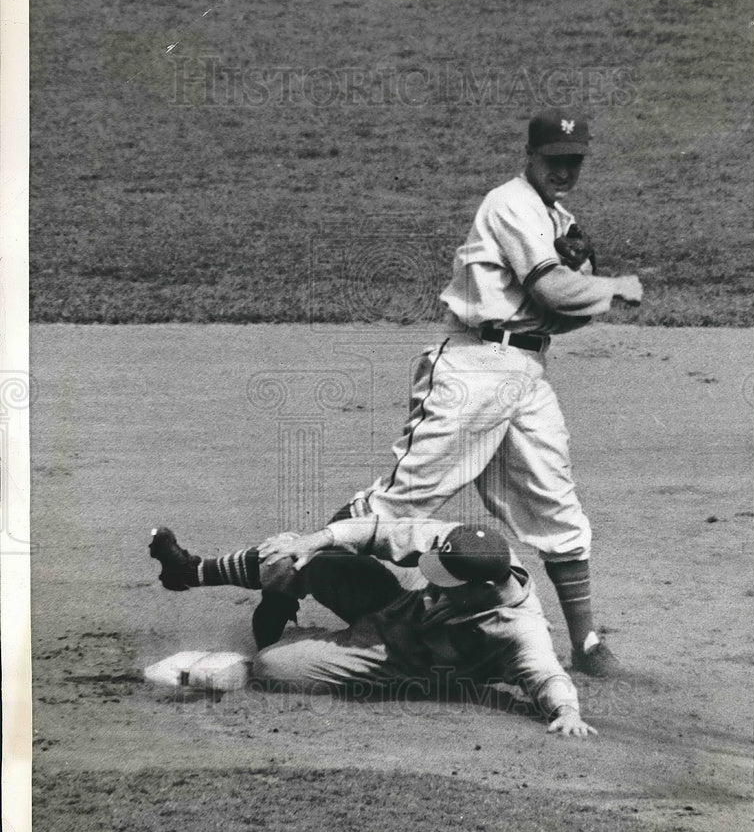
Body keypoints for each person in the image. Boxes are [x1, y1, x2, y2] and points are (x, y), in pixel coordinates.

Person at [331, 107, 643, 677]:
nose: (565, 171)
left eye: (574, 161)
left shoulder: (558, 218)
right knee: (400, 504)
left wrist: (591, 293)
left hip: (525, 375)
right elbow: (550, 286)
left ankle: (589, 646)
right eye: (555, 160)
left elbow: (559, 314)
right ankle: (290, 573)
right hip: (473, 367)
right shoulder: (511, 203)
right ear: (531, 156)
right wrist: (610, 285)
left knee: (557, 506)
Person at [148, 518, 597, 737]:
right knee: (302, 555)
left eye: (446, 581)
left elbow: (546, 674)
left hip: (398, 662)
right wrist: (318, 538)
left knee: (270, 666)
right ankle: (192, 572)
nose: (435, 580)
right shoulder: (476, 552)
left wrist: (567, 713)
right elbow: (383, 530)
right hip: (393, 606)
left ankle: (293, 640)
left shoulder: (518, 628)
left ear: (480, 588)